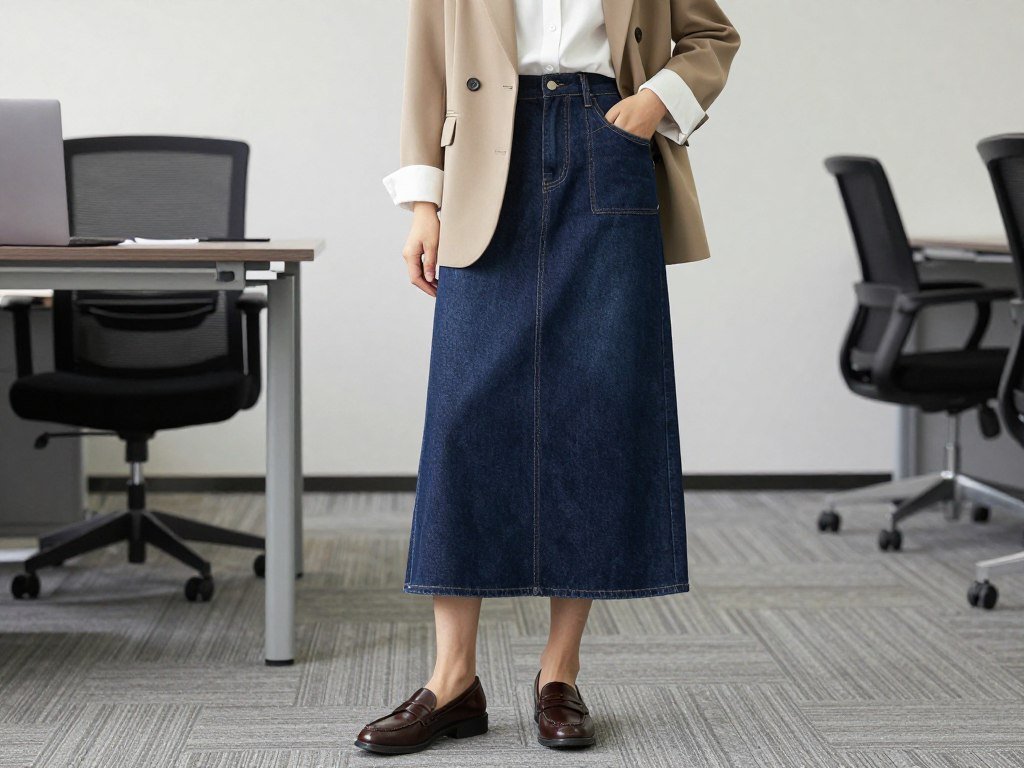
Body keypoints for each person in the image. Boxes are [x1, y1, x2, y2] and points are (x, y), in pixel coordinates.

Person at [356, 0, 739, 755]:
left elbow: (712, 35)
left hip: (607, 141)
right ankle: (451, 679)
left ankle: (558, 674)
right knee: (464, 421)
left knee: (593, 409)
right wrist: (422, 202)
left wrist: (656, 99)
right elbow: (429, 64)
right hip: (483, 163)